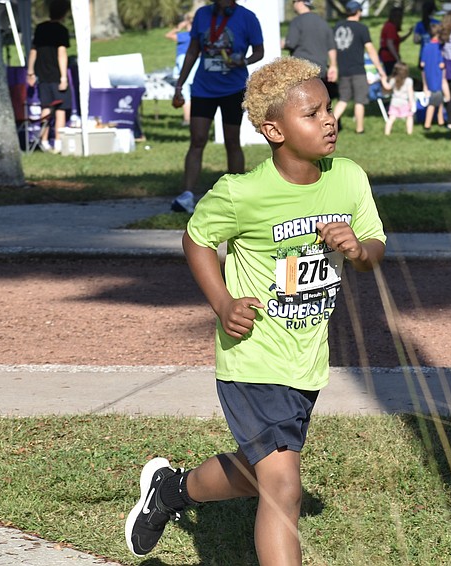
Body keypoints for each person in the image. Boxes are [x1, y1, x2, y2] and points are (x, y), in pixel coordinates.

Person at [124, 56, 386, 565]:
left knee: (256, 470)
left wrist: (356, 249)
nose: (329, 120)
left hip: (306, 358)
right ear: (273, 130)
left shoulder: (349, 178)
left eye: (328, 109)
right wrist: (222, 303)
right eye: (312, 114)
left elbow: (374, 249)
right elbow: (197, 241)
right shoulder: (242, 192)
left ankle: (172, 490)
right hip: (252, 357)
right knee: (283, 486)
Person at [170, 0, 264, 213]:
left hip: (233, 88)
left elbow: (259, 51)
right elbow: (193, 51)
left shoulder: (247, 17)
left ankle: (239, 196)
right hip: (203, 88)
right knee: (197, 140)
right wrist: (180, 83)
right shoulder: (203, 15)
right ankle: (186, 195)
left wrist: (244, 61)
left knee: (232, 140)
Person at [333, 1, 387, 134]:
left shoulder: (336, 27)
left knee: (343, 99)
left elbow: (332, 49)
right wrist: (380, 70)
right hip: (358, 70)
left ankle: (328, 125)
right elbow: (370, 50)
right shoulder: (361, 28)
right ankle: (359, 129)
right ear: (359, 12)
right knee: (359, 100)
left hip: (343, 69)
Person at [26, 0, 72, 154]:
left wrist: (30, 71)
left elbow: (33, 51)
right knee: (60, 110)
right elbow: (61, 53)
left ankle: (44, 141)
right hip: (56, 76)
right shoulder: (61, 31)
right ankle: (58, 142)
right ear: (64, 13)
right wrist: (64, 77)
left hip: (42, 76)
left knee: (46, 108)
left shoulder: (40, 28)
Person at [282, 0, 338, 100]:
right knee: (319, 99)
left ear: (299, 2)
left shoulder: (297, 21)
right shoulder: (323, 22)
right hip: (320, 70)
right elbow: (332, 47)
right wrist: (333, 66)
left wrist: (281, 43)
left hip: (301, 69)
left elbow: (291, 43)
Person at [165, 12, 199, 126]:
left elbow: (168, 35)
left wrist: (178, 27)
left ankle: (187, 118)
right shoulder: (198, 35)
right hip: (197, 62)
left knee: (184, 90)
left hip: (184, 62)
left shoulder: (185, 36)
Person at [420, 23, 447, 130]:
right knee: (433, 101)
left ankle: (441, 120)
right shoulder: (439, 48)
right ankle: (427, 124)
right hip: (437, 77)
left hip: (429, 76)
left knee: (439, 100)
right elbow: (442, 64)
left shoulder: (426, 47)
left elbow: (422, 64)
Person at [380, 62, 416, 136]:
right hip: (405, 102)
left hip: (394, 102)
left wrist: (383, 80)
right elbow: (410, 93)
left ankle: (387, 133)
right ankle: (409, 132)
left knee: (391, 118)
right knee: (409, 117)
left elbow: (387, 87)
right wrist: (412, 103)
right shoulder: (409, 81)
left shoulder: (393, 79)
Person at [379, 7, 413, 76]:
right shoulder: (390, 27)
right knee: (391, 76)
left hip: (387, 56)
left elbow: (397, 40)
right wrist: (397, 58)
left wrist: (408, 34)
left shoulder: (389, 25)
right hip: (388, 57)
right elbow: (390, 44)